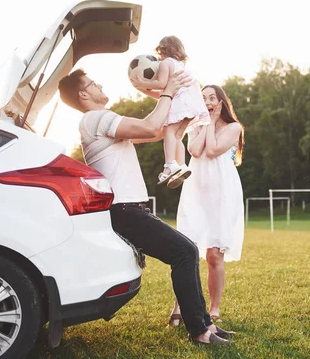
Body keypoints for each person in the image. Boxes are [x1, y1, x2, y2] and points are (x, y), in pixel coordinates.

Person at [58, 69, 234, 345]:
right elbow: (151, 127)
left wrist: (182, 106)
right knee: (185, 251)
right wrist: (168, 91)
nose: (100, 84)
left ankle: (206, 325)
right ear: (83, 94)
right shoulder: (96, 118)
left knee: (186, 251)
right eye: (93, 83)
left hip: (131, 209)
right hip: (123, 210)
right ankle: (199, 331)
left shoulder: (102, 121)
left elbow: (157, 132)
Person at [168, 85, 245, 326]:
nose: (208, 101)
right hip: (196, 192)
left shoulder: (234, 128)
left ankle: (214, 309)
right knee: (186, 250)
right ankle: (179, 305)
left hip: (222, 194)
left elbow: (212, 151)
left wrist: (211, 123)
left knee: (214, 255)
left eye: (212, 97)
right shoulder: (196, 126)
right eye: (203, 98)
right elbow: (194, 150)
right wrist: (204, 124)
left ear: (222, 102)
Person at [130, 36, 209, 188]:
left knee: (168, 132)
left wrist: (143, 83)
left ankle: (169, 166)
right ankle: (181, 165)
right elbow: (166, 93)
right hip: (193, 104)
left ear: (163, 50)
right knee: (178, 136)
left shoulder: (167, 63)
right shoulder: (183, 66)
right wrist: (145, 90)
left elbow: (161, 84)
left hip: (181, 104)